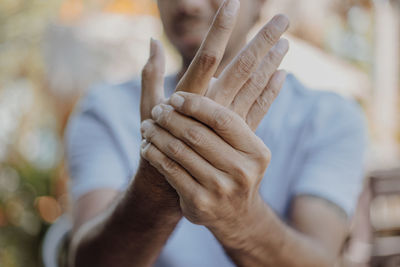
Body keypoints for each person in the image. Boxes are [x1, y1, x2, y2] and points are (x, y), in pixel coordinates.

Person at [65, 0, 367, 266]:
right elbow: (87, 260)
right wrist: (155, 186)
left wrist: (239, 219)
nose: (189, 4)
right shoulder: (104, 108)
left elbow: (321, 260)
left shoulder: (331, 118)